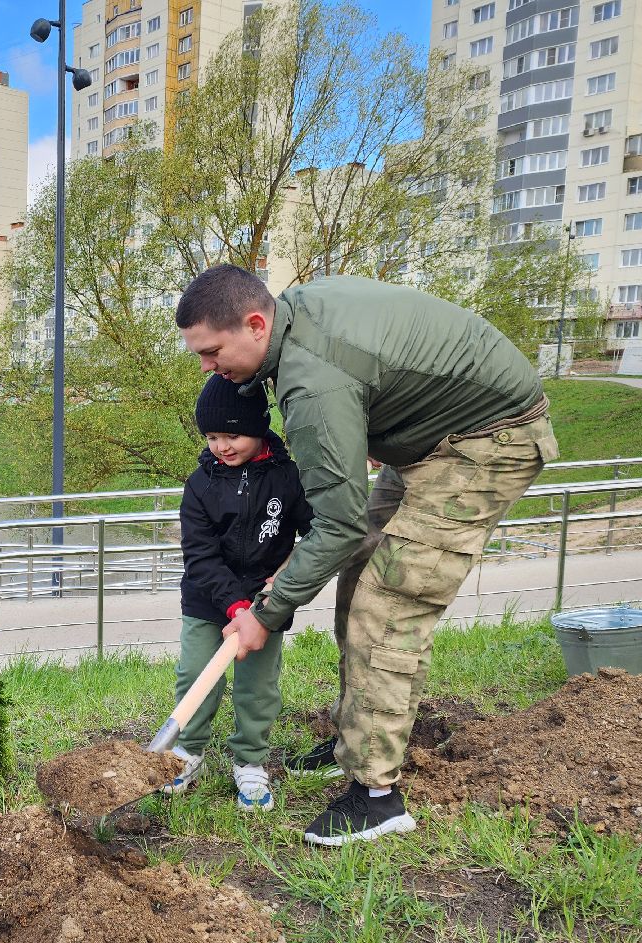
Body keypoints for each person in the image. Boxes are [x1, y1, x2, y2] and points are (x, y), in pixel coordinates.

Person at [176, 266, 558, 846]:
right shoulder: (293, 316)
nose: (207, 367)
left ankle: (377, 797)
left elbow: (338, 523)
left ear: (255, 323)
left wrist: (266, 612)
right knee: (357, 580)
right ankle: (352, 740)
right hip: (429, 442)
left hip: (488, 440)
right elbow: (346, 531)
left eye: (211, 352)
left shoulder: (311, 384)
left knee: (388, 605)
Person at [164, 374, 312, 810]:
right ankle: (186, 752)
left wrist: (273, 593)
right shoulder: (200, 484)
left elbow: (316, 532)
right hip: (208, 600)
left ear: (260, 427)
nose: (222, 447)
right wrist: (235, 605)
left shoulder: (288, 478)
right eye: (212, 436)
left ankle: (250, 762)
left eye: (232, 434)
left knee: (258, 688)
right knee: (195, 676)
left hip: (268, 605)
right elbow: (200, 555)